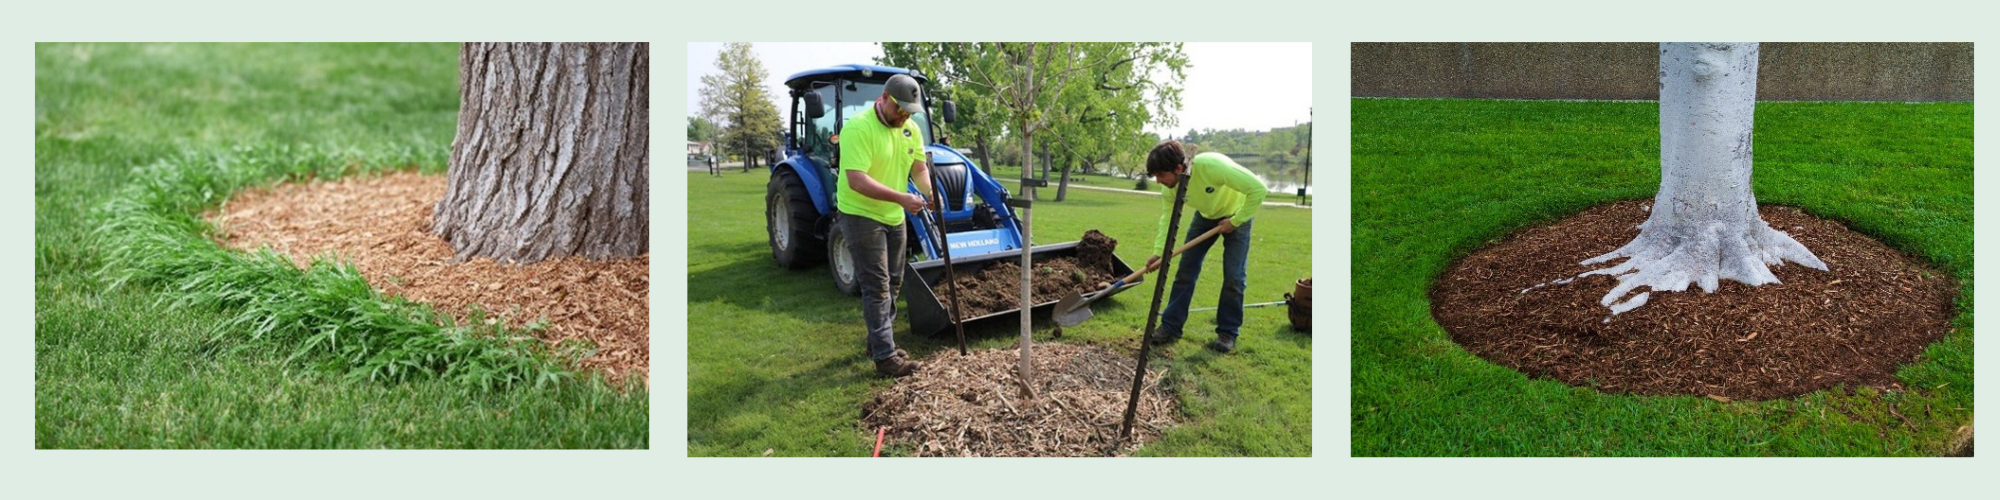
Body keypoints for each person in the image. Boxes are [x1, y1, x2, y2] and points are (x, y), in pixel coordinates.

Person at [837, 73, 933, 377]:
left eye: (909, 111)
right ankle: (886, 358)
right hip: (861, 214)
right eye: (900, 108)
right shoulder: (859, 128)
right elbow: (856, 181)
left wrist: (931, 193)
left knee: (893, 283)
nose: (904, 115)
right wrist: (902, 198)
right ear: (884, 98)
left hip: (894, 215)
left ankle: (878, 342)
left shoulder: (911, 129)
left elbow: (919, 169)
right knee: (877, 287)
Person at [1142, 140, 1268, 353]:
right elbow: (1167, 220)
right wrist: (1159, 252)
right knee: (1185, 271)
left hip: (1238, 216)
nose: (1158, 181)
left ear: (1179, 168)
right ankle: (1171, 327)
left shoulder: (1212, 166)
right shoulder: (1170, 189)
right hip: (1205, 218)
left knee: (1234, 276)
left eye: (1161, 175)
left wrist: (1235, 221)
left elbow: (1258, 189)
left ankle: (1228, 332)